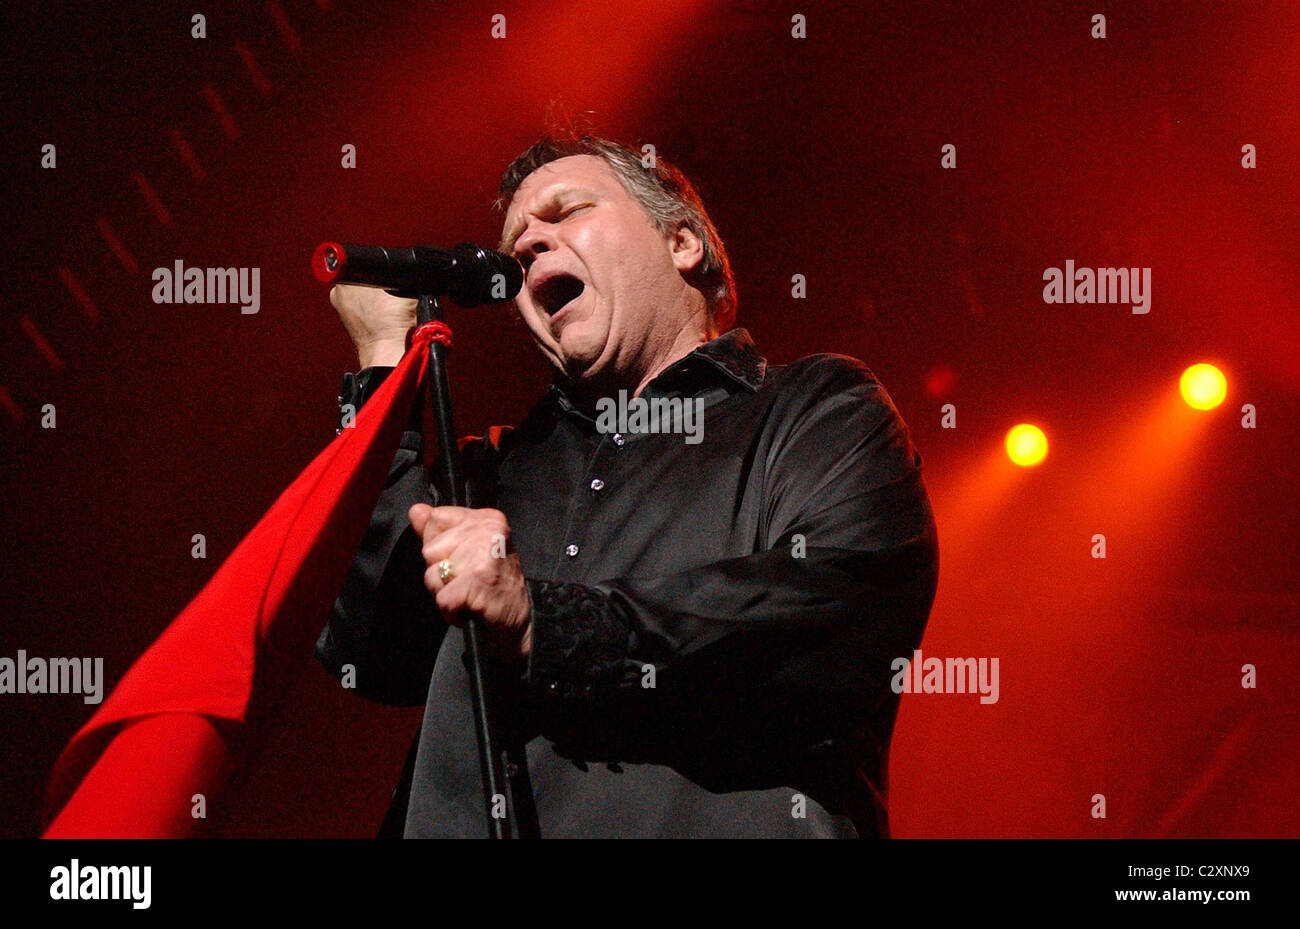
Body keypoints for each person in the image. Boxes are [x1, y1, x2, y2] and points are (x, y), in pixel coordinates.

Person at [315, 134, 939, 838]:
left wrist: (543, 623)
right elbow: (369, 647)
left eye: (564, 211)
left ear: (682, 242)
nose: (528, 246)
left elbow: (837, 613)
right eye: (517, 239)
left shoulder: (814, 408)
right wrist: (379, 363)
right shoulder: (494, 473)